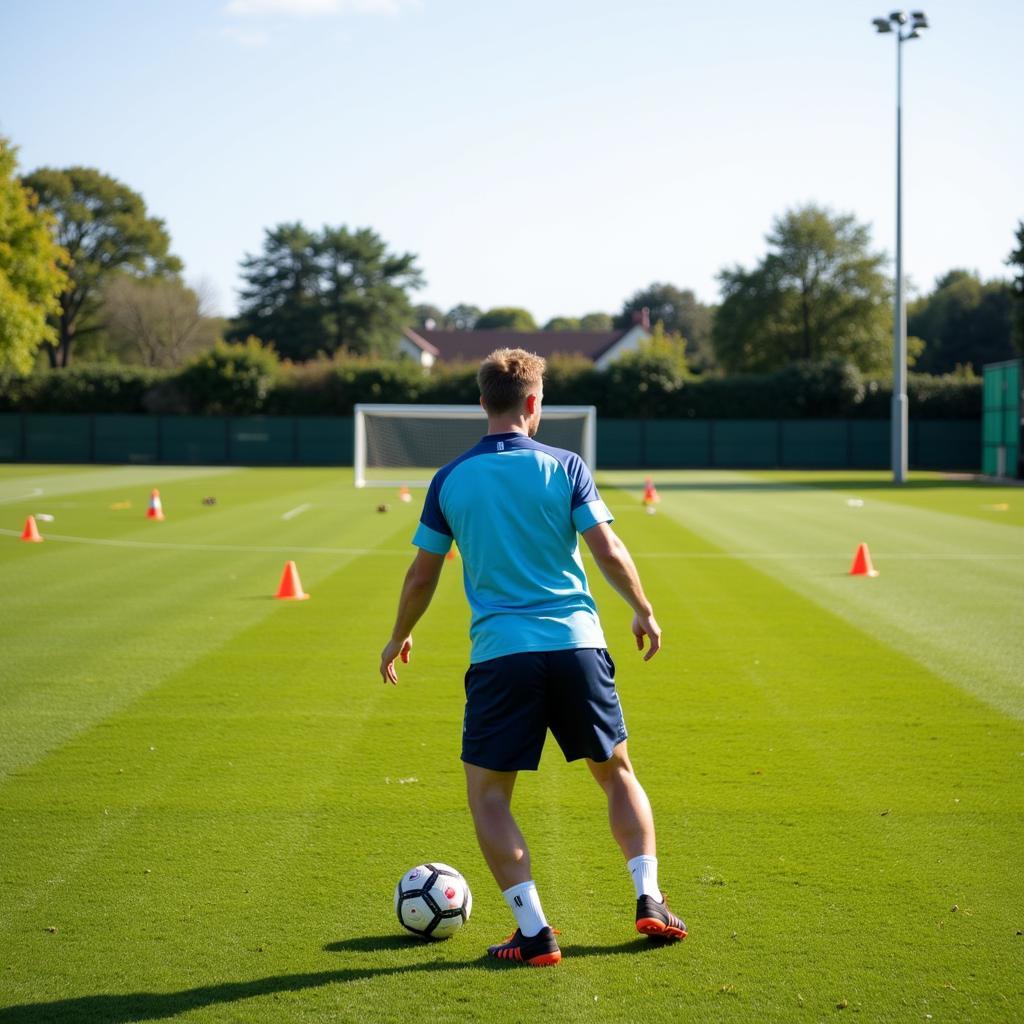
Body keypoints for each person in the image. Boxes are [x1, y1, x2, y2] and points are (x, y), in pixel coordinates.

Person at [379, 348, 686, 966]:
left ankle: (535, 932)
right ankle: (649, 897)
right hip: (578, 646)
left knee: (490, 797)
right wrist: (644, 609)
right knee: (616, 774)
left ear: (483, 402)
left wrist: (398, 634)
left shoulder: (450, 479)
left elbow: (421, 575)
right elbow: (608, 548)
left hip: (502, 658)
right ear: (533, 404)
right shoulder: (565, 466)